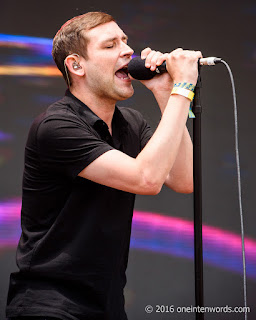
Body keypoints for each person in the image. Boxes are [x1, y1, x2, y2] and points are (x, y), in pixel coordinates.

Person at [6, 11, 202, 320]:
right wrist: (183, 90)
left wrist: (166, 93)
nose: (127, 50)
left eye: (125, 41)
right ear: (76, 65)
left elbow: (184, 178)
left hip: (107, 303)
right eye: (110, 45)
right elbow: (146, 179)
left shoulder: (132, 123)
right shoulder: (56, 125)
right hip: (50, 305)